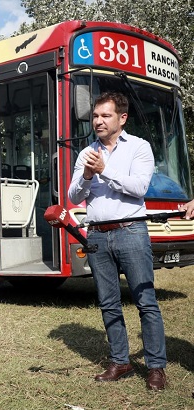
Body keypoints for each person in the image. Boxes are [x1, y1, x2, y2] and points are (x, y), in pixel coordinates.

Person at [68, 91, 166, 390]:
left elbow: (139, 187)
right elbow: (73, 196)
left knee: (145, 301)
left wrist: (104, 170)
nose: (98, 121)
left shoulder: (139, 147)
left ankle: (156, 367)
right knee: (109, 303)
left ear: (121, 119)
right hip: (97, 234)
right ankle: (120, 360)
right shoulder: (86, 152)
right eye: (95, 116)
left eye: (105, 116)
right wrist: (86, 175)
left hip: (131, 231)